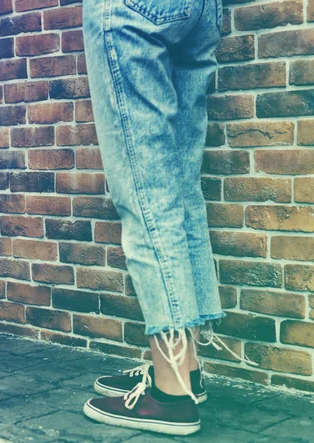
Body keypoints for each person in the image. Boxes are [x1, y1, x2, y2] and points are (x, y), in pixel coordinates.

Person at [82, 0, 233, 436]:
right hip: (201, 10)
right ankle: (186, 372)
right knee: (181, 193)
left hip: (132, 9)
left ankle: (170, 397)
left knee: (146, 195)